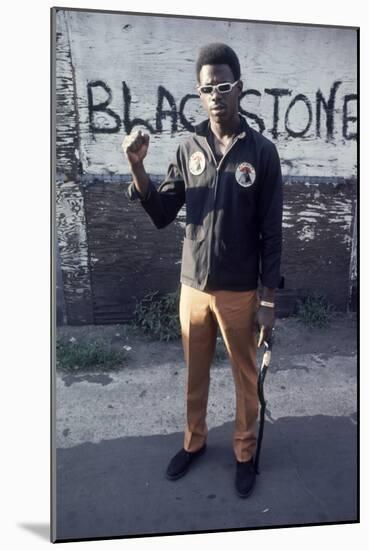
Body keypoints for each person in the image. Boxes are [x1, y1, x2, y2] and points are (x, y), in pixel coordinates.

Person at [122, 43, 283, 498]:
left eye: (224, 86)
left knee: (245, 378)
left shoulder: (262, 153)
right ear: (199, 93)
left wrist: (268, 301)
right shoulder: (187, 147)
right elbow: (161, 210)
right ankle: (193, 443)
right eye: (208, 88)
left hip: (239, 293)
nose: (216, 95)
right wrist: (138, 170)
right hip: (192, 288)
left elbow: (273, 234)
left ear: (240, 90)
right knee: (194, 374)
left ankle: (245, 452)